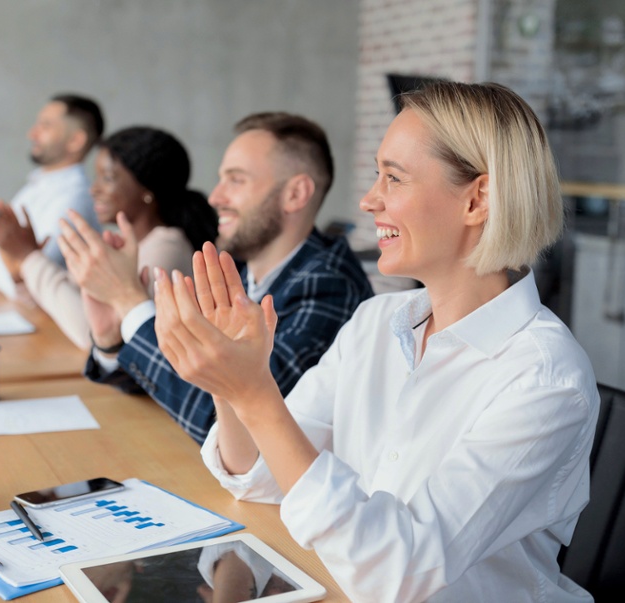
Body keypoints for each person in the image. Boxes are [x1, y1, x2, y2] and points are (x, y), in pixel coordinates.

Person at [152, 82, 600, 602]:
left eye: (394, 177)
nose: (369, 199)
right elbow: (259, 478)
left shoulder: (544, 379)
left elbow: (400, 571)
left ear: (477, 199)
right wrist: (227, 381)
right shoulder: (376, 322)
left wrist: (254, 394)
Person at [59, 112, 374, 444]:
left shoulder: (329, 286)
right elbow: (168, 374)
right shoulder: (237, 270)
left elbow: (235, 426)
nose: (215, 197)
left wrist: (128, 300)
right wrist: (111, 337)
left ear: (295, 194)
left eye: (236, 180)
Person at [0, 126, 217, 349]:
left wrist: (28, 256)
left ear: (147, 190)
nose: (94, 189)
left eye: (107, 178)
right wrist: (19, 263)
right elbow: (61, 301)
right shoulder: (124, 242)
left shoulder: (167, 246)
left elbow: (94, 333)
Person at [0, 93, 103, 299]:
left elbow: (21, 285)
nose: (32, 134)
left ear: (76, 140)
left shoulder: (74, 200)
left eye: (46, 126)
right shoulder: (34, 188)